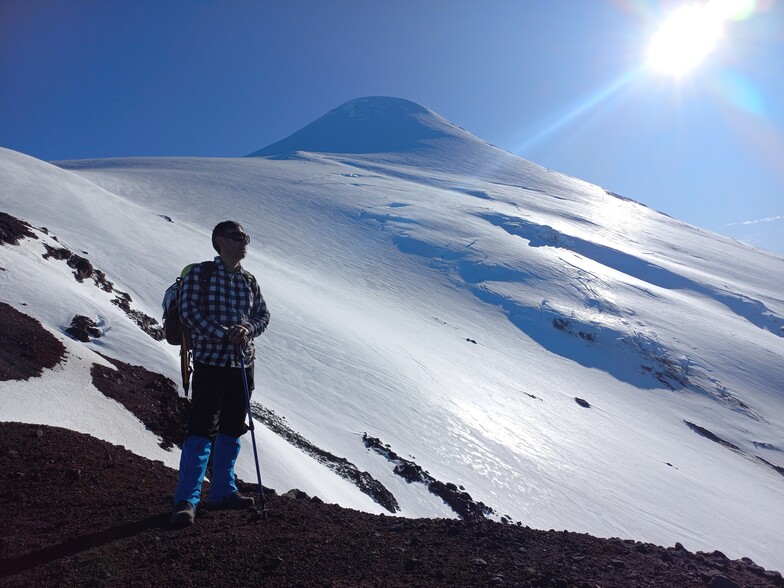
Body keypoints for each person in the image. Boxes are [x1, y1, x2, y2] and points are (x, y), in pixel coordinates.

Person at [170, 220, 270, 527]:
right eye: (237, 238)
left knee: (231, 427)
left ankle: (223, 491)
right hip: (211, 363)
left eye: (245, 238)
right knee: (202, 429)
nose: (244, 243)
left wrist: (247, 329)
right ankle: (187, 499)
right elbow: (188, 313)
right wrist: (224, 334)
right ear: (219, 242)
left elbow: (263, 315)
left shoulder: (249, 280)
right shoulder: (201, 274)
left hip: (241, 363)